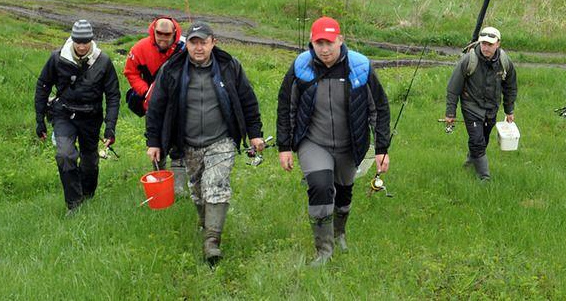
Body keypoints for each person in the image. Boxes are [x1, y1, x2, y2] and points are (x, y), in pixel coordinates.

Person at [145, 21, 264, 265]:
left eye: (204, 42)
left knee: (216, 184)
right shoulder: (172, 70)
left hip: (221, 140)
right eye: (193, 42)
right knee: (198, 192)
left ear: (213, 43)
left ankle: (212, 242)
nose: (199, 48)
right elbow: (156, 108)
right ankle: (205, 221)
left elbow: (248, 101)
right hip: (187, 143)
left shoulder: (229, 67)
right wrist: (154, 142)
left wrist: (255, 133)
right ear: (186, 44)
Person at [276, 16, 391, 266]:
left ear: (341, 40)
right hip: (313, 141)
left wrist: (382, 149)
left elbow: (379, 108)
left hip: (350, 143)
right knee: (320, 186)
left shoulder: (360, 66)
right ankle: (324, 251)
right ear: (311, 42)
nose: (325, 49)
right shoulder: (301, 67)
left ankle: (339, 233)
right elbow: (286, 106)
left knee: (344, 192)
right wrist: (284, 146)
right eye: (319, 43)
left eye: (329, 42)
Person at [34, 19, 120, 212]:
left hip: (91, 116)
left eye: (85, 42)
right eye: (78, 41)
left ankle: (87, 197)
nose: (81, 46)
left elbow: (113, 95)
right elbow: (43, 86)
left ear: (91, 40)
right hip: (64, 114)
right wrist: (40, 120)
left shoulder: (103, 61)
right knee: (65, 155)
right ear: (72, 39)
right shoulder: (57, 58)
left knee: (89, 163)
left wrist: (110, 126)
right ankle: (74, 204)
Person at [445, 26, 517, 181]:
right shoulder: (468, 60)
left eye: (490, 44)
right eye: (483, 43)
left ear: (498, 43)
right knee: (477, 141)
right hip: (471, 107)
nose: (485, 47)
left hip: (492, 109)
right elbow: (453, 88)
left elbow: (510, 87)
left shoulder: (505, 61)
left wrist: (509, 110)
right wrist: (450, 113)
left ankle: (470, 164)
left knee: (482, 139)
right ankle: (484, 177)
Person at [124, 16, 186, 194]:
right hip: (152, 105)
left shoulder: (184, 48)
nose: (163, 38)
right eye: (159, 33)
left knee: (178, 141)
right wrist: (146, 92)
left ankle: (178, 189)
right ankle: (160, 182)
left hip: (178, 105)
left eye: (167, 34)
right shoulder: (140, 48)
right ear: (154, 31)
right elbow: (130, 72)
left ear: (174, 33)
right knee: (155, 141)